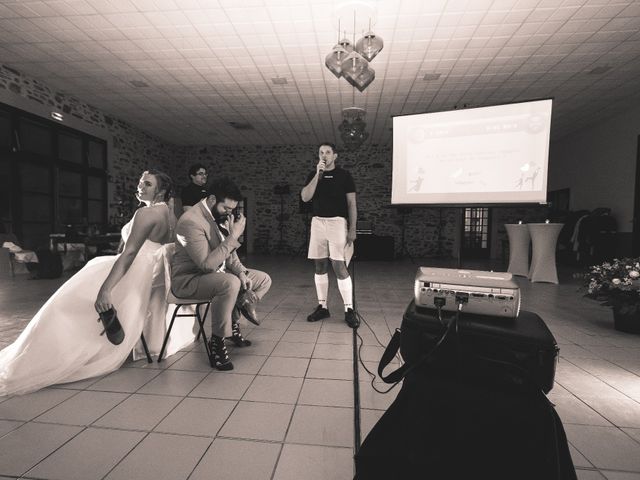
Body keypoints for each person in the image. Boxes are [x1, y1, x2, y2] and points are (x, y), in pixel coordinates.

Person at [0, 170, 179, 397]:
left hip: (129, 273)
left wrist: (106, 289)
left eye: (147, 184)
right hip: (144, 277)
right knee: (72, 302)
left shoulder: (146, 213)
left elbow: (130, 253)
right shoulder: (170, 214)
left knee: (61, 305)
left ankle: (39, 359)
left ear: (160, 190)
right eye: (140, 182)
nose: (140, 187)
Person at [171, 176, 271, 370]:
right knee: (230, 284)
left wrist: (242, 272)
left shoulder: (218, 217)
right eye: (226, 208)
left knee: (262, 279)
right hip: (190, 279)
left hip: (218, 274)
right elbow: (206, 265)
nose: (229, 213)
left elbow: (228, 254)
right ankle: (217, 341)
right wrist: (233, 236)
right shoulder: (190, 222)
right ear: (211, 200)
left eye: (232, 210)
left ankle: (240, 309)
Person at [301, 142, 358, 328]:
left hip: (337, 222)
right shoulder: (314, 174)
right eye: (320, 152)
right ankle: (322, 307)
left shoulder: (344, 175)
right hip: (318, 222)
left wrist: (352, 228)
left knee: (339, 265)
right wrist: (318, 175)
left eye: (327, 152)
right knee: (319, 265)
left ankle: (349, 309)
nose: (324, 155)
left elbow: (351, 204)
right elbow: (305, 197)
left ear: (335, 155)